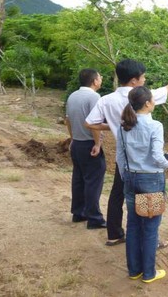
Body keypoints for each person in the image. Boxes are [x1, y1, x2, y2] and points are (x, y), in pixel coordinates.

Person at [85, 58, 168, 246]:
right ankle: (150, 240)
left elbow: (89, 122)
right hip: (145, 161)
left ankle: (114, 234)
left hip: (124, 158)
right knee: (147, 198)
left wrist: (113, 126)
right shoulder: (143, 96)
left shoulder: (106, 100)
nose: (144, 80)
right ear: (134, 81)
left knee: (118, 195)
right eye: (142, 77)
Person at [117, 86, 168, 283]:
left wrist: (125, 176)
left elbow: (120, 157)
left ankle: (134, 271)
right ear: (147, 103)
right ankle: (149, 273)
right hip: (151, 180)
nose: (154, 102)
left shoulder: (123, 127)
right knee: (150, 228)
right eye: (153, 99)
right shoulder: (155, 125)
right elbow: (157, 157)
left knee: (132, 225)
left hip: (130, 178)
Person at [65, 68, 107, 229]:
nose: (101, 79)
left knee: (78, 178)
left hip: (77, 143)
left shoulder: (73, 96)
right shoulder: (94, 97)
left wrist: (72, 138)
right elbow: (94, 123)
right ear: (94, 81)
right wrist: (97, 144)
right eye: (100, 76)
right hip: (89, 143)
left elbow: (67, 119)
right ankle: (94, 218)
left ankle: (78, 213)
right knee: (93, 181)